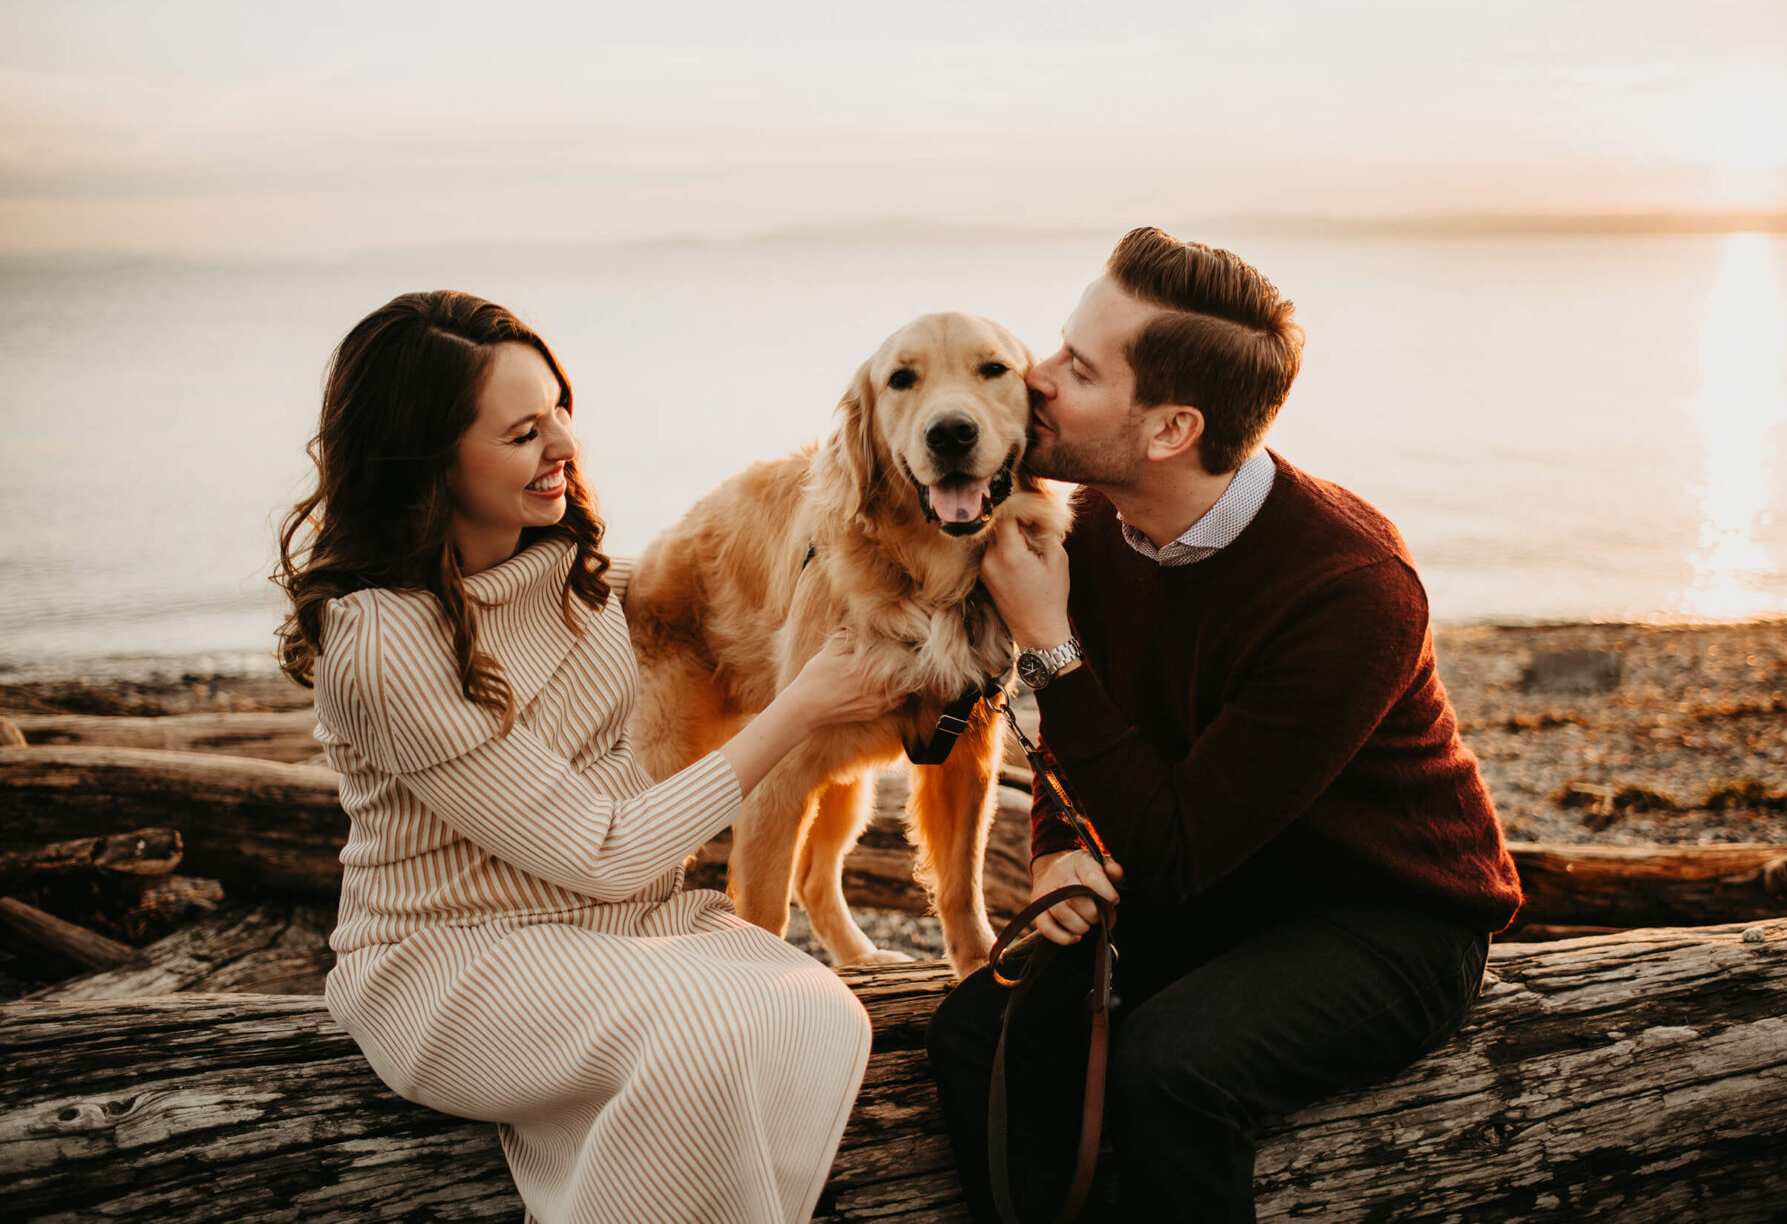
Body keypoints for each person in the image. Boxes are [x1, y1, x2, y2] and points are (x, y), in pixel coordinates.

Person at [926, 228, 1525, 1222]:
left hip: (1388, 914)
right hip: (1212, 879)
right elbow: (1099, 747)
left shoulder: (1352, 589)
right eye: (1059, 345)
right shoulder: (1095, 527)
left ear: (1170, 429)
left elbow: (1174, 849)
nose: (1034, 377)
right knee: (977, 1033)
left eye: (1079, 367)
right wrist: (1058, 844)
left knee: (1170, 1068)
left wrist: (1046, 642)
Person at [276, 290, 896, 1224]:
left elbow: (721, 582)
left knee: (820, 1012)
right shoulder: (382, 641)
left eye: (560, 411)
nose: (565, 444)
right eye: (524, 433)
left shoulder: (575, 576)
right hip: (450, 961)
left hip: (622, 927)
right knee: (702, 1036)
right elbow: (603, 849)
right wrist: (800, 708)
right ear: (428, 461)